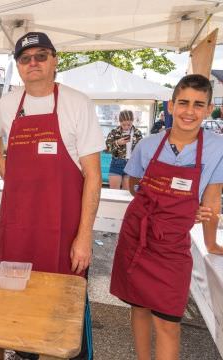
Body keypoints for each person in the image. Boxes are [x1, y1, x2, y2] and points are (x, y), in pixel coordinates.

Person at [0, 31, 105, 360]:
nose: (33, 63)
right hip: (19, 228)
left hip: (63, 230)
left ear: (54, 60)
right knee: (18, 304)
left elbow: (93, 176)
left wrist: (84, 236)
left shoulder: (76, 102)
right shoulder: (7, 104)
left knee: (64, 314)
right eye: (25, 59)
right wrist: (3, 168)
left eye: (41, 56)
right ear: (18, 66)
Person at [110, 74, 223, 360]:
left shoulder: (217, 148)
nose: (189, 111)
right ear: (171, 106)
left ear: (209, 109)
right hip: (139, 237)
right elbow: (135, 186)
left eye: (199, 104)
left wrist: (210, 243)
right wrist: (163, 200)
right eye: (183, 102)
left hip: (173, 245)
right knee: (139, 307)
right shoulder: (148, 145)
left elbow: (210, 199)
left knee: (169, 323)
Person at [105, 110, 143, 190]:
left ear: (132, 121)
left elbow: (141, 150)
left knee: (126, 194)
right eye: (123, 124)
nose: (126, 127)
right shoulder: (114, 132)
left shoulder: (137, 133)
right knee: (114, 193)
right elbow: (107, 149)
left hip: (131, 164)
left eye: (129, 124)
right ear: (120, 122)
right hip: (116, 163)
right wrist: (117, 143)